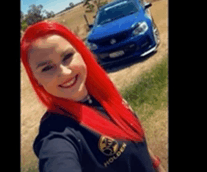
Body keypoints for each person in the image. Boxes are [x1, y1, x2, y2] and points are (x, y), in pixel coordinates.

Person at [21, 20, 165, 172]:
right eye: (47, 68)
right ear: (36, 79)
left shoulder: (103, 94)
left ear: (80, 52)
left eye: (67, 56)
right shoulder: (56, 135)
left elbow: (134, 137)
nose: (65, 72)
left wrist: (157, 166)